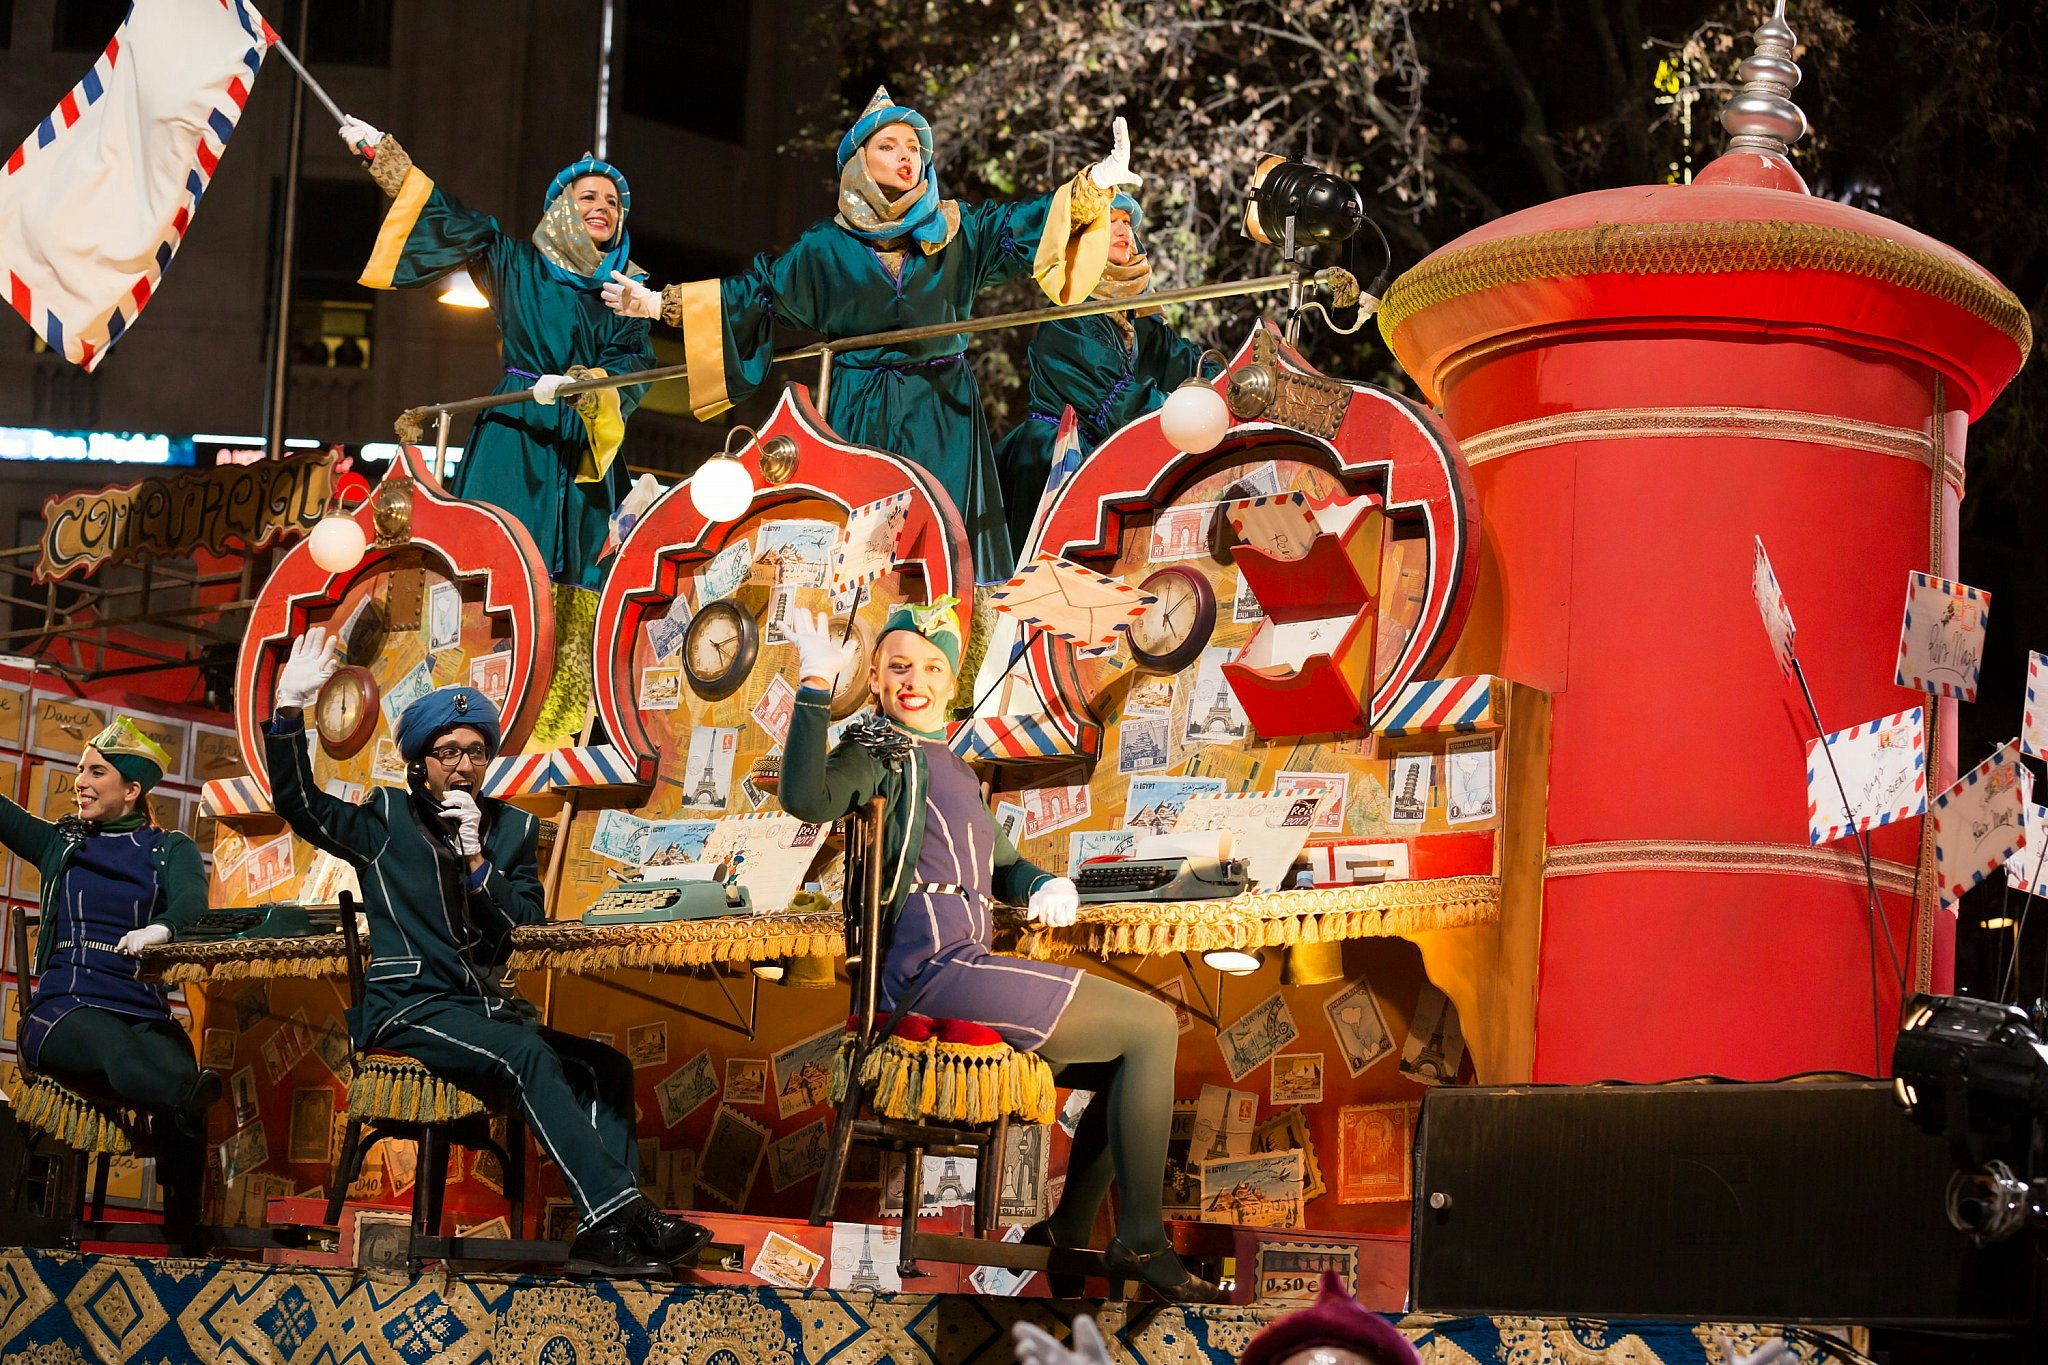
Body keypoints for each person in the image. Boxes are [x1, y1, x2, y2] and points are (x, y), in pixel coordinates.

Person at [780, 602, 1223, 1303]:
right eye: (898, 667)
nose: (914, 680)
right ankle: (1140, 1239)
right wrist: (812, 684)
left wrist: (1043, 881)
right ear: (873, 674)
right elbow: (806, 796)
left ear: (953, 684)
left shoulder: (955, 768)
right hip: (928, 973)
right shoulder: (878, 748)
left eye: (931, 668)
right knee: (1152, 1025)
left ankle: (1066, 1231)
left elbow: (1006, 861)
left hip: (966, 963)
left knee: (1126, 1056)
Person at [265, 631, 710, 1276]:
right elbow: (300, 807)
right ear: (421, 762)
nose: (462, 766)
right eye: (446, 753)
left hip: (484, 1010)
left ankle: (604, 1234)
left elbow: (523, 925)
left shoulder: (511, 829)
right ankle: (626, 1218)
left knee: (606, 1069)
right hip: (411, 1007)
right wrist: (286, 715)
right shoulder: (386, 818)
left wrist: (480, 862)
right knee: (528, 1053)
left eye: (475, 753)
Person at [604, 87, 1140, 580]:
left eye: (914, 145)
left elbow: (1025, 225)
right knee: (860, 554)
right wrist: (660, 304)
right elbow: (758, 295)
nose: (908, 156)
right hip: (861, 411)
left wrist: (1093, 186)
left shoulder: (957, 232)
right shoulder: (824, 249)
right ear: (859, 160)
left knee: (946, 543)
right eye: (889, 145)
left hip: (942, 411)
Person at [334, 113, 656, 592]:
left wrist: (591, 388)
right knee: (496, 557)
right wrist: (385, 159)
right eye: (588, 197)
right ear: (562, 207)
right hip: (517, 429)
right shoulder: (515, 262)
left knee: (587, 576)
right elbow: (448, 217)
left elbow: (635, 360)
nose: (603, 208)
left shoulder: (629, 289)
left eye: (612, 202)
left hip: (586, 444)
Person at [0, 718, 216, 1224]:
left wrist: (163, 928)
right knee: (121, 1051)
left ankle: (184, 1237)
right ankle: (186, 1097)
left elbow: (191, 902)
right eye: (79, 770)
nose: (80, 781)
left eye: (96, 771)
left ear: (132, 789)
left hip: (141, 1007)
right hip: (64, 1007)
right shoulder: (63, 844)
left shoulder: (170, 849)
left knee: (173, 1057)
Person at [993, 194, 1220, 555]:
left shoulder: (1133, 316)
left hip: (1100, 460)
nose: (1123, 231)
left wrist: (1229, 383)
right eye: (1109, 221)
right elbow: (1119, 403)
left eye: (1128, 223)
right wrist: (1198, 412)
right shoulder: (1069, 318)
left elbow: (1183, 361)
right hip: (1054, 464)